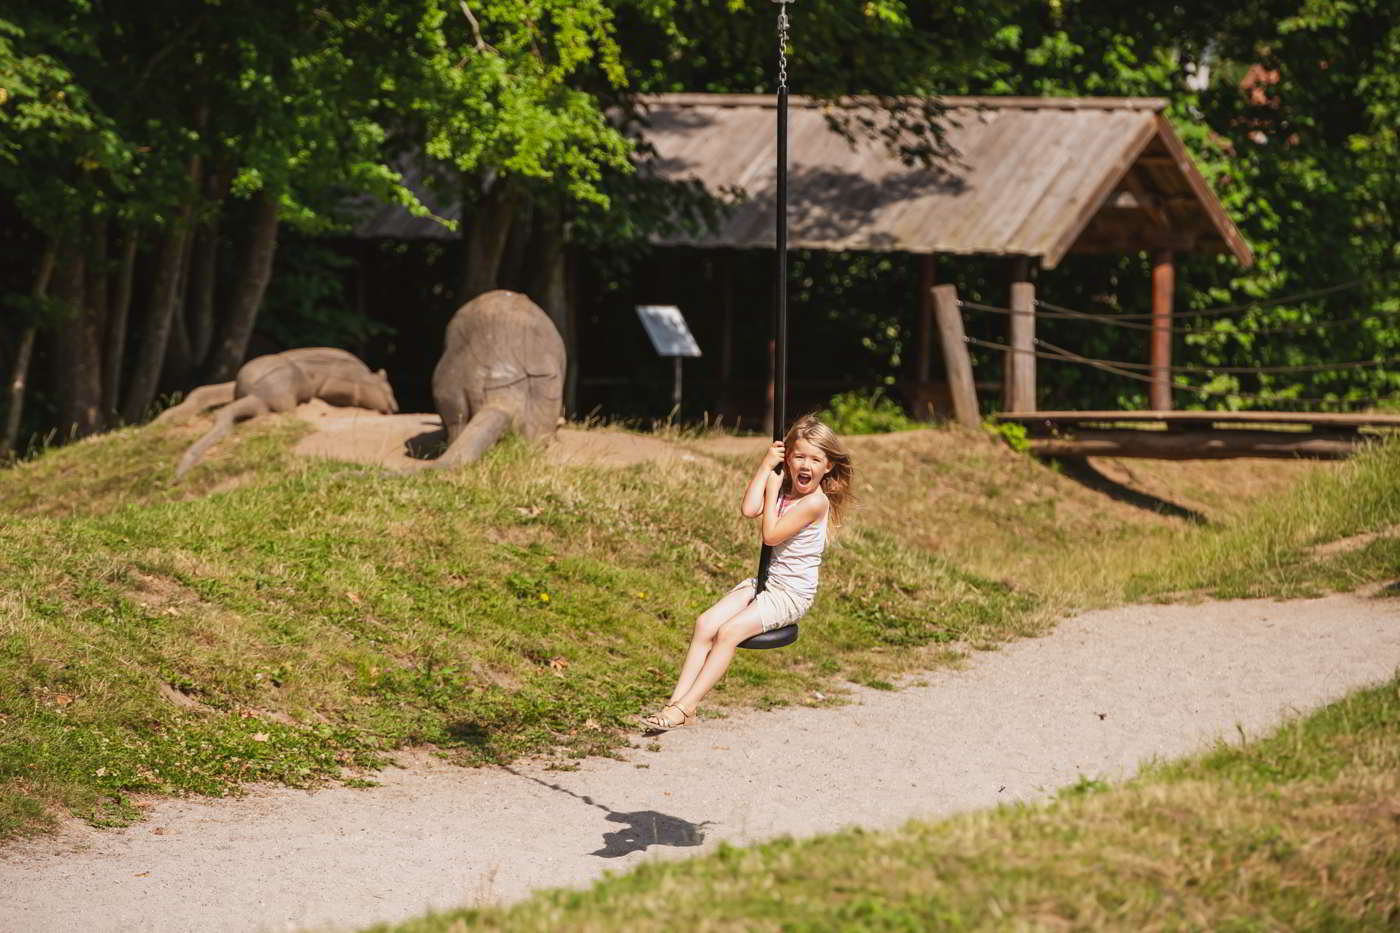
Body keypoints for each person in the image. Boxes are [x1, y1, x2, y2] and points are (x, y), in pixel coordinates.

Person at [643, 414, 853, 731]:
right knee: (706, 624)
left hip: (790, 595)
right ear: (789, 457)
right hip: (765, 583)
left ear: (828, 466)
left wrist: (773, 492)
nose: (805, 465)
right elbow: (748, 509)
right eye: (798, 456)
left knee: (728, 633)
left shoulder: (815, 503)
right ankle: (676, 704)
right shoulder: (783, 486)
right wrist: (766, 467)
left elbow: (770, 535)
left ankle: (687, 706)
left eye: (815, 459)